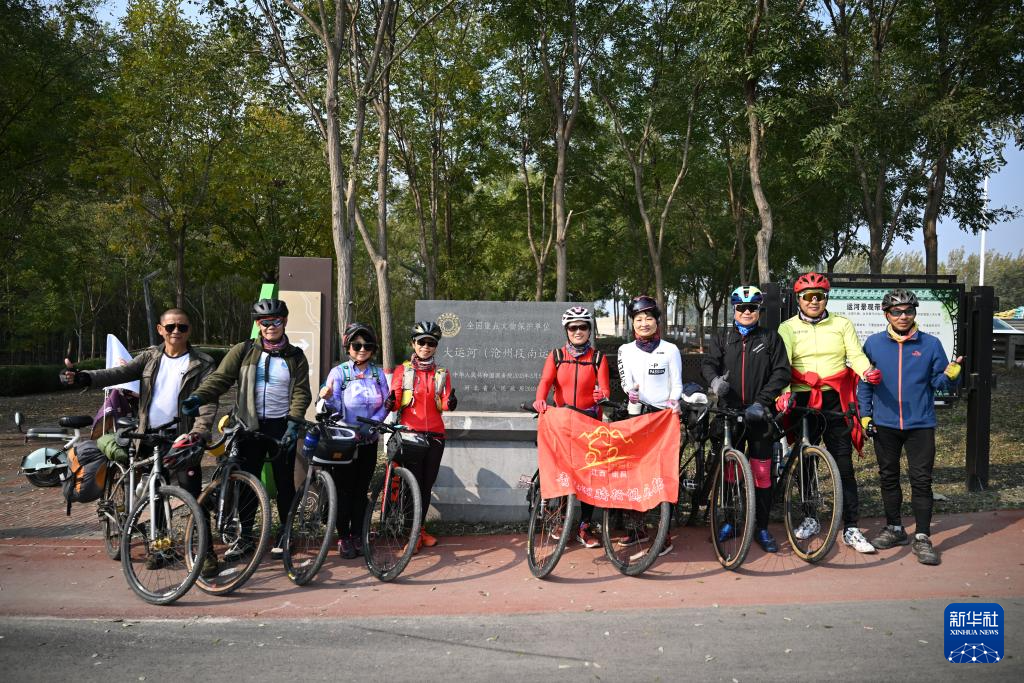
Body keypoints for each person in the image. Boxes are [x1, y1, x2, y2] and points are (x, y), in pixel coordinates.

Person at [60, 308, 219, 574]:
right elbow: (116, 375)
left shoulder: (203, 363)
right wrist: (84, 377)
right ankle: (161, 547)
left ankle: (206, 554)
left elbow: (208, 401)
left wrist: (198, 432)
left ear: (190, 330)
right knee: (155, 495)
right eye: (170, 327)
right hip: (149, 436)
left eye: (182, 327)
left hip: (183, 439)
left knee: (192, 496)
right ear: (161, 330)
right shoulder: (150, 358)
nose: (176, 332)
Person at [181, 298, 312, 560]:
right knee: (247, 483)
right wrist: (199, 397)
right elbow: (220, 379)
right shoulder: (244, 350)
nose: (271, 326)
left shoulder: (295, 356)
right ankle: (246, 538)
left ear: (284, 322)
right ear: (257, 324)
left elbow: (301, 392)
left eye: (276, 321)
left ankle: (286, 533)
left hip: (281, 427)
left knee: (285, 484)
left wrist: (294, 422)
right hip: (248, 425)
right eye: (265, 322)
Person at [776, 272, 881, 554]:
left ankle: (851, 527)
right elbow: (783, 364)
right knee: (806, 462)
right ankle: (810, 517)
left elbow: (855, 355)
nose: (813, 301)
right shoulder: (787, 328)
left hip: (834, 397)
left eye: (819, 296)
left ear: (826, 298)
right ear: (798, 299)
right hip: (801, 397)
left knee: (843, 464)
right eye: (807, 296)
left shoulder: (842, 324)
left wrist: (866, 371)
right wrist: (784, 392)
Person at [858, 289, 963, 565]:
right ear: (886, 315)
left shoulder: (930, 344)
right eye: (896, 311)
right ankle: (894, 528)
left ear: (915, 313)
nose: (903, 316)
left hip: (921, 424)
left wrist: (951, 376)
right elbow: (865, 383)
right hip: (885, 424)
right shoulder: (874, 344)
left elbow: (939, 385)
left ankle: (923, 537)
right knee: (888, 477)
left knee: (921, 481)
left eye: (908, 311)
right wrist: (865, 416)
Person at [701, 285, 791, 553]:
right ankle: (729, 521)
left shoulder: (771, 338)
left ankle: (761, 527)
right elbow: (708, 364)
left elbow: (781, 372)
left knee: (762, 474)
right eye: (742, 307)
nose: (747, 312)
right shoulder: (722, 338)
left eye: (753, 307)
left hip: (760, 415)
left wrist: (761, 402)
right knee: (730, 470)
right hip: (730, 414)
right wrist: (715, 381)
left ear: (759, 310)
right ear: (735, 310)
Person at [533, 306, 612, 548]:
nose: (578, 331)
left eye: (583, 327)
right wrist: (540, 400)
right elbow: (546, 381)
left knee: (589, 477)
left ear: (589, 330)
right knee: (564, 473)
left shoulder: (598, 358)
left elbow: (605, 389)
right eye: (573, 327)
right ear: (566, 331)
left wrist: (602, 395)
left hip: (589, 424)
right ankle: (562, 521)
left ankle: (584, 526)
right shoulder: (556, 355)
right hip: (563, 424)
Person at [616, 295, 682, 555]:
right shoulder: (625, 350)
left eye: (649, 318)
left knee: (664, 474)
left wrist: (674, 401)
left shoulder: (671, 349)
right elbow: (625, 380)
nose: (644, 323)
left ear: (657, 321)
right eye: (639, 319)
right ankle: (636, 528)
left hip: (664, 419)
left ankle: (664, 533)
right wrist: (630, 393)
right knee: (636, 474)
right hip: (637, 418)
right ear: (633, 323)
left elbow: (676, 382)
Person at [320, 322, 390, 559]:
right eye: (357, 345)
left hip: (369, 442)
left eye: (367, 346)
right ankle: (343, 536)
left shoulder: (377, 374)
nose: (362, 350)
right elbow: (333, 407)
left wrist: (374, 424)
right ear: (348, 347)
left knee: (362, 491)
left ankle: (358, 533)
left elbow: (386, 404)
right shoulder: (339, 373)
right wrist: (328, 398)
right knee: (344, 491)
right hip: (345, 444)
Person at [386, 320, 457, 553]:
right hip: (410, 435)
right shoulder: (403, 370)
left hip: (435, 435)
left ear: (436, 346)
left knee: (426, 486)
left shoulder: (442, 374)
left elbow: (445, 403)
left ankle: (420, 529)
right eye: (421, 342)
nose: (426, 346)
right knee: (411, 485)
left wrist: (451, 401)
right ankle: (411, 532)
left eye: (431, 343)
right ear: (413, 344)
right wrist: (390, 401)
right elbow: (396, 400)